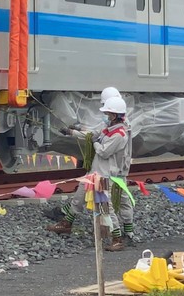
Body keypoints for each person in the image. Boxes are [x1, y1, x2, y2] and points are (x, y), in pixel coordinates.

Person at [47, 95, 132, 252]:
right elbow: (92, 135)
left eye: (107, 114)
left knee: (106, 208)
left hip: (103, 176)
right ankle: (66, 224)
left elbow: (104, 152)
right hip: (95, 173)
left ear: (114, 116)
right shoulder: (108, 130)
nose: (106, 117)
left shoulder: (120, 135)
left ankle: (117, 239)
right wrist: (71, 132)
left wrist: (95, 143)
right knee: (78, 199)